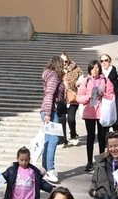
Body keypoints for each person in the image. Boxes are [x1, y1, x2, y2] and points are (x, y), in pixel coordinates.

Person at [77, 59, 115, 173]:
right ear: (89, 69)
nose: (95, 70)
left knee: (102, 137)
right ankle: (89, 161)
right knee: (90, 137)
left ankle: (101, 159)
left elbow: (112, 95)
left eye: (97, 68)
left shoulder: (106, 81)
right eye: (93, 68)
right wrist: (88, 97)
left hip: (102, 112)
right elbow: (79, 97)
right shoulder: (85, 81)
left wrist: (103, 94)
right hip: (89, 112)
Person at [40, 55, 66, 183]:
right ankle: (50, 169)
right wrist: (48, 114)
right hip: (51, 111)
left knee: (48, 140)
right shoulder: (54, 76)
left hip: (48, 110)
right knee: (53, 140)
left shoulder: (50, 75)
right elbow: (49, 95)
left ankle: (44, 169)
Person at [100, 53, 118, 131]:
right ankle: (105, 140)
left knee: (115, 122)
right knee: (105, 121)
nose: (104, 62)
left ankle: (116, 138)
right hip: (103, 101)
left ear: (110, 61)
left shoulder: (116, 71)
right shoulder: (99, 73)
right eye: (102, 61)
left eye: (106, 60)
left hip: (115, 99)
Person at [60, 53, 83, 148]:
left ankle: (73, 135)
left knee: (71, 119)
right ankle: (63, 140)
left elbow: (82, 79)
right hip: (61, 98)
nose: (64, 63)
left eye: (66, 61)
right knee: (61, 120)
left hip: (72, 98)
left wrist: (79, 83)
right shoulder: (56, 71)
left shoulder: (76, 70)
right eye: (62, 61)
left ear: (69, 61)